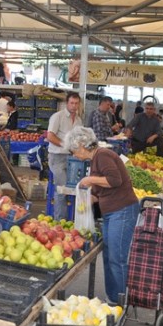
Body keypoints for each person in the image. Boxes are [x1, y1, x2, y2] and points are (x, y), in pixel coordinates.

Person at [64, 126, 139, 304]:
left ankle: (120, 302)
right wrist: (91, 199)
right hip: (112, 212)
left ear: (82, 144)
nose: (74, 155)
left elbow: (115, 180)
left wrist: (90, 180)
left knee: (117, 258)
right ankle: (112, 299)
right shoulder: (95, 160)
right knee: (109, 257)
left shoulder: (103, 155)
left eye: (73, 150)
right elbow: (103, 189)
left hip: (122, 211)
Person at [46, 92, 83, 220]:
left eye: (76, 103)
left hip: (72, 160)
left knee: (75, 189)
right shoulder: (58, 116)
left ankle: (72, 220)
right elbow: (50, 136)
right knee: (62, 190)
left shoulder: (78, 120)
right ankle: (59, 222)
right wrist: (66, 145)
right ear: (67, 103)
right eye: (71, 103)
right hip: (57, 158)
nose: (74, 106)